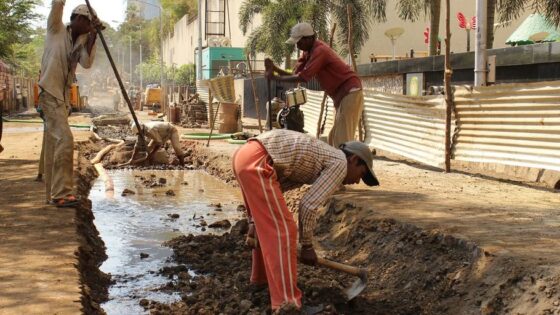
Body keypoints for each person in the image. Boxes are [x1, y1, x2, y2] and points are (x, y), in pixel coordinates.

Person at [232, 129, 379, 311]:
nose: (358, 182)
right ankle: (287, 304)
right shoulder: (340, 164)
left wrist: (254, 221)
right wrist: (307, 246)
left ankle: (260, 281)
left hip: (245, 156)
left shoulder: (317, 160)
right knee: (284, 231)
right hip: (258, 162)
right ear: (354, 160)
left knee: (269, 228)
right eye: (361, 174)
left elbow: (275, 190)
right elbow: (308, 205)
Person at [38, 0, 100, 207]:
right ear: (80, 19)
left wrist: (93, 36)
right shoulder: (56, 29)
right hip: (49, 92)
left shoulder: (81, 40)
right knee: (65, 139)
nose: (90, 27)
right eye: (89, 23)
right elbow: (57, 3)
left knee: (53, 142)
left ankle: (51, 192)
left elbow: (87, 63)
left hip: (62, 97)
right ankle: (61, 193)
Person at [265, 22, 364, 148]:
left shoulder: (320, 51)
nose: (297, 45)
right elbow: (295, 74)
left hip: (350, 92)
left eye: (299, 42)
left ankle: (346, 166)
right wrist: (275, 69)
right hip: (341, 96)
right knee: (332, 139)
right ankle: (339, 165)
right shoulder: (307, 52)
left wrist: (274, 77)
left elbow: (303, 77)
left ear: (309, 38)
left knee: (342, 141)